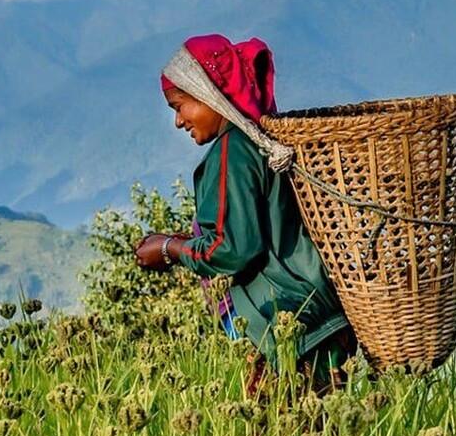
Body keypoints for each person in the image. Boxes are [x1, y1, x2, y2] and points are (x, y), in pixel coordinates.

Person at [133, 34, 356, 396]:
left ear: (207, 93)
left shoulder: (232, 152)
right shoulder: (259, 142)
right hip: (317, 317)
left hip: (283, 324)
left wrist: (168, 248)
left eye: (180, 105)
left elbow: (232, 250)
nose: (177, 121)